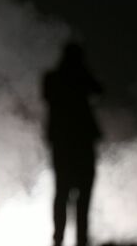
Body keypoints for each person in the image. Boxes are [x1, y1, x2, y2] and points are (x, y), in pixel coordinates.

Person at [43, 41, 103, 246]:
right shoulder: (75, 79)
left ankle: (60, 239)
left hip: (64, 145)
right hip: (79, 145)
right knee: (79, 198)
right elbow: (98, 89)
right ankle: (78, 240)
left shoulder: (52, 79)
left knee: (63, 194)